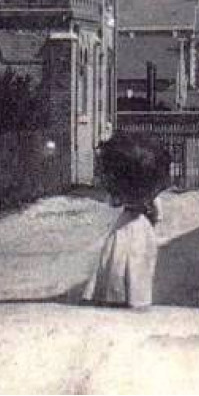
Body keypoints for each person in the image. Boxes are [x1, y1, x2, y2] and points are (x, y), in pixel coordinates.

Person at [82, 131, 171, 309]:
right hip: (142, 226)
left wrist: (121, 194)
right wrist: (150, 218)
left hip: (124, 224)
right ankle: (137, 297)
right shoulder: (149, 193)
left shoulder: (124, 190)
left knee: (117, 258)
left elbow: (112, 203)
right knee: (138, 263)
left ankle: (115, 294)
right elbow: (158, 215)